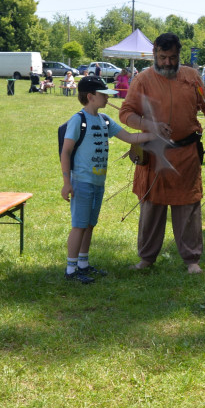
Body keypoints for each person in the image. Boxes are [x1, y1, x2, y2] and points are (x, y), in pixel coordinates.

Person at [119, 33, 205, 274]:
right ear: (155, 54)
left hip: (186, 154)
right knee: (151, 207)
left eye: (173, 57)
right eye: (163, 57)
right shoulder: (143, 80)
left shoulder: (191, 76)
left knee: (188, 206)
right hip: (154, 156)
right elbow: (126, 113)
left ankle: (192, 260)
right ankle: (146, 258)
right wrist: (150, 126)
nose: (168, 62)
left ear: (180, 55)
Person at [60, 76, 152, 283]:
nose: (107, 98)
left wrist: (154, 133)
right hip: (81, 181)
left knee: (90, 224)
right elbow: (65, 152)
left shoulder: (105, 120)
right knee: (79, 225)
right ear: (91, 97)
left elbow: (130, 137)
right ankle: (71, 270)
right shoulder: (78, 120)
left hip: (98, 183)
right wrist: (67, 183)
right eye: (103, 95)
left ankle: (83, 264)